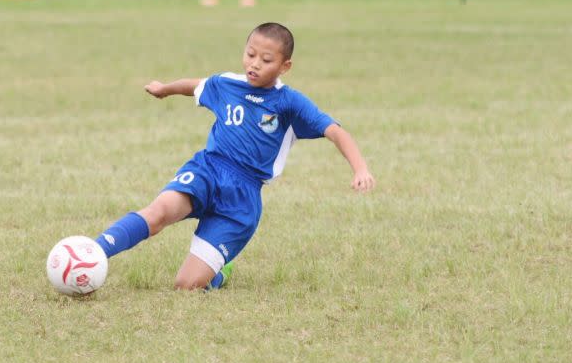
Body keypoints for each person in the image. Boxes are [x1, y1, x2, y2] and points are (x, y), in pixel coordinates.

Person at [92, 22, 375, 290]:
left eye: (266, 60)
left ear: (285, 66)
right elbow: (196, 85)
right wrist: (164, 89)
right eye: (250, 54)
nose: (254, 64)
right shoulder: (227, 84)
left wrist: (360, 168)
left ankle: (219, 273)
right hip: (208, 169)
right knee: (158, 214)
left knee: (186, 286)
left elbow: (335, 131)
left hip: (242, 199)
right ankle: (92, 253)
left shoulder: (290, 102)